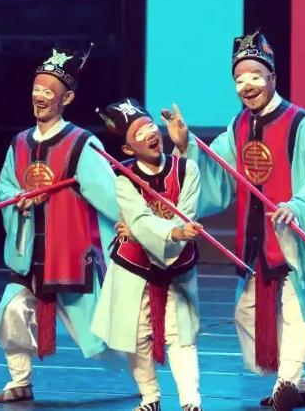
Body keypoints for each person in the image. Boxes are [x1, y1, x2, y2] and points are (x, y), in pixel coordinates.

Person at [164, 30, 305, 411]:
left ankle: (287, 384)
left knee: (298, 309)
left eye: (254, 76)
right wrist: (185, 145)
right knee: (247, 315)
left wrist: (297, 205)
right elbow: (216, 171)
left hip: (295, 235)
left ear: (272, 78)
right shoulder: (239, 126)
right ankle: (301, 385)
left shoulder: (300, 123)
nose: (246, 86)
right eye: (238, 79)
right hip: (257, 239)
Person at [0, 46, 122, 403]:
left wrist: (136, 224)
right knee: (12, 313)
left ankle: (147, 382)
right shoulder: (19, 143)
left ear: (67, 99)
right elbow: (5, 185)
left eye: (49, 91)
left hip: (69, 255)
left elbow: (110, 195)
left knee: (101, 336)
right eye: (36, 88)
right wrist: (16, 198)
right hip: (28, 254)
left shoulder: (81, 144)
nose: (40, 96)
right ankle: (20, 381)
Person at [91, 98, 204, 411]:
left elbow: (187, 212)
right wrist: (173, 232)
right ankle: (150, 397)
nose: (151, 134)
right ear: (127, 149)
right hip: (134, 266)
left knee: (181, 334)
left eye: (151, 127)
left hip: (178, 265)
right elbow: (139, 220)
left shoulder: (187, 169)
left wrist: (175, 232)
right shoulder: (124, 178)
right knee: (137, 335)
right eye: (139, 134)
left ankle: (191, 402)